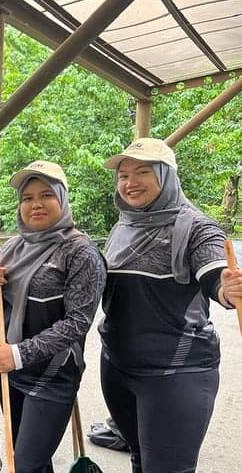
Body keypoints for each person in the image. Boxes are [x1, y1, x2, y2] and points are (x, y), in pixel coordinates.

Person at [99, 137, 242, 473]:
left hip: (175, 373)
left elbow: (215, 276)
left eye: (143, 172)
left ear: (166, 175)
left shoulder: (196, 227)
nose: (130, 183)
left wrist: (228, 289)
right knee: (139, 460)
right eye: (123, 175)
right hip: (117, 368)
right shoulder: (123, 224)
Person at [0, 161, 106, 473]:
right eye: (27, 198)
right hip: (12, 372)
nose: (35, 204)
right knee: (23, 460)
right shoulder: (13, 247)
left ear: (62, 198)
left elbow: (78, 321)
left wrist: (18, 354)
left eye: (46, 195)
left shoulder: (80, 252)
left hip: (53, 372)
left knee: (26, 465)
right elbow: (2, 305)